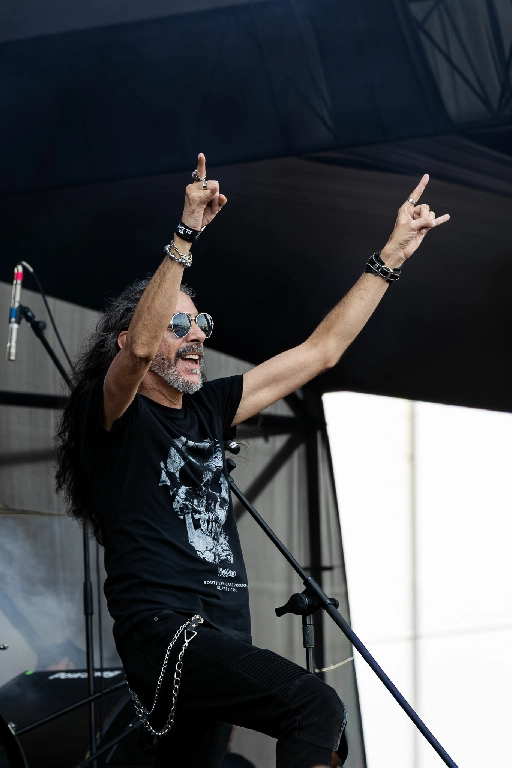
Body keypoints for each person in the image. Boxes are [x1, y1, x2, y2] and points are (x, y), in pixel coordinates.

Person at [55, 154, 449, 768]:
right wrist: (186, 233)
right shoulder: (114, 413)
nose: (197, 335)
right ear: (130, 339)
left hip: (222, 632)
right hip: (166, 632)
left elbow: (322, 351)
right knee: (315, 706)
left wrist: (391, 256)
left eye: (201, 323)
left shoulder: (211, 406)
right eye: (179, 324)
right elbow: (135, 359)